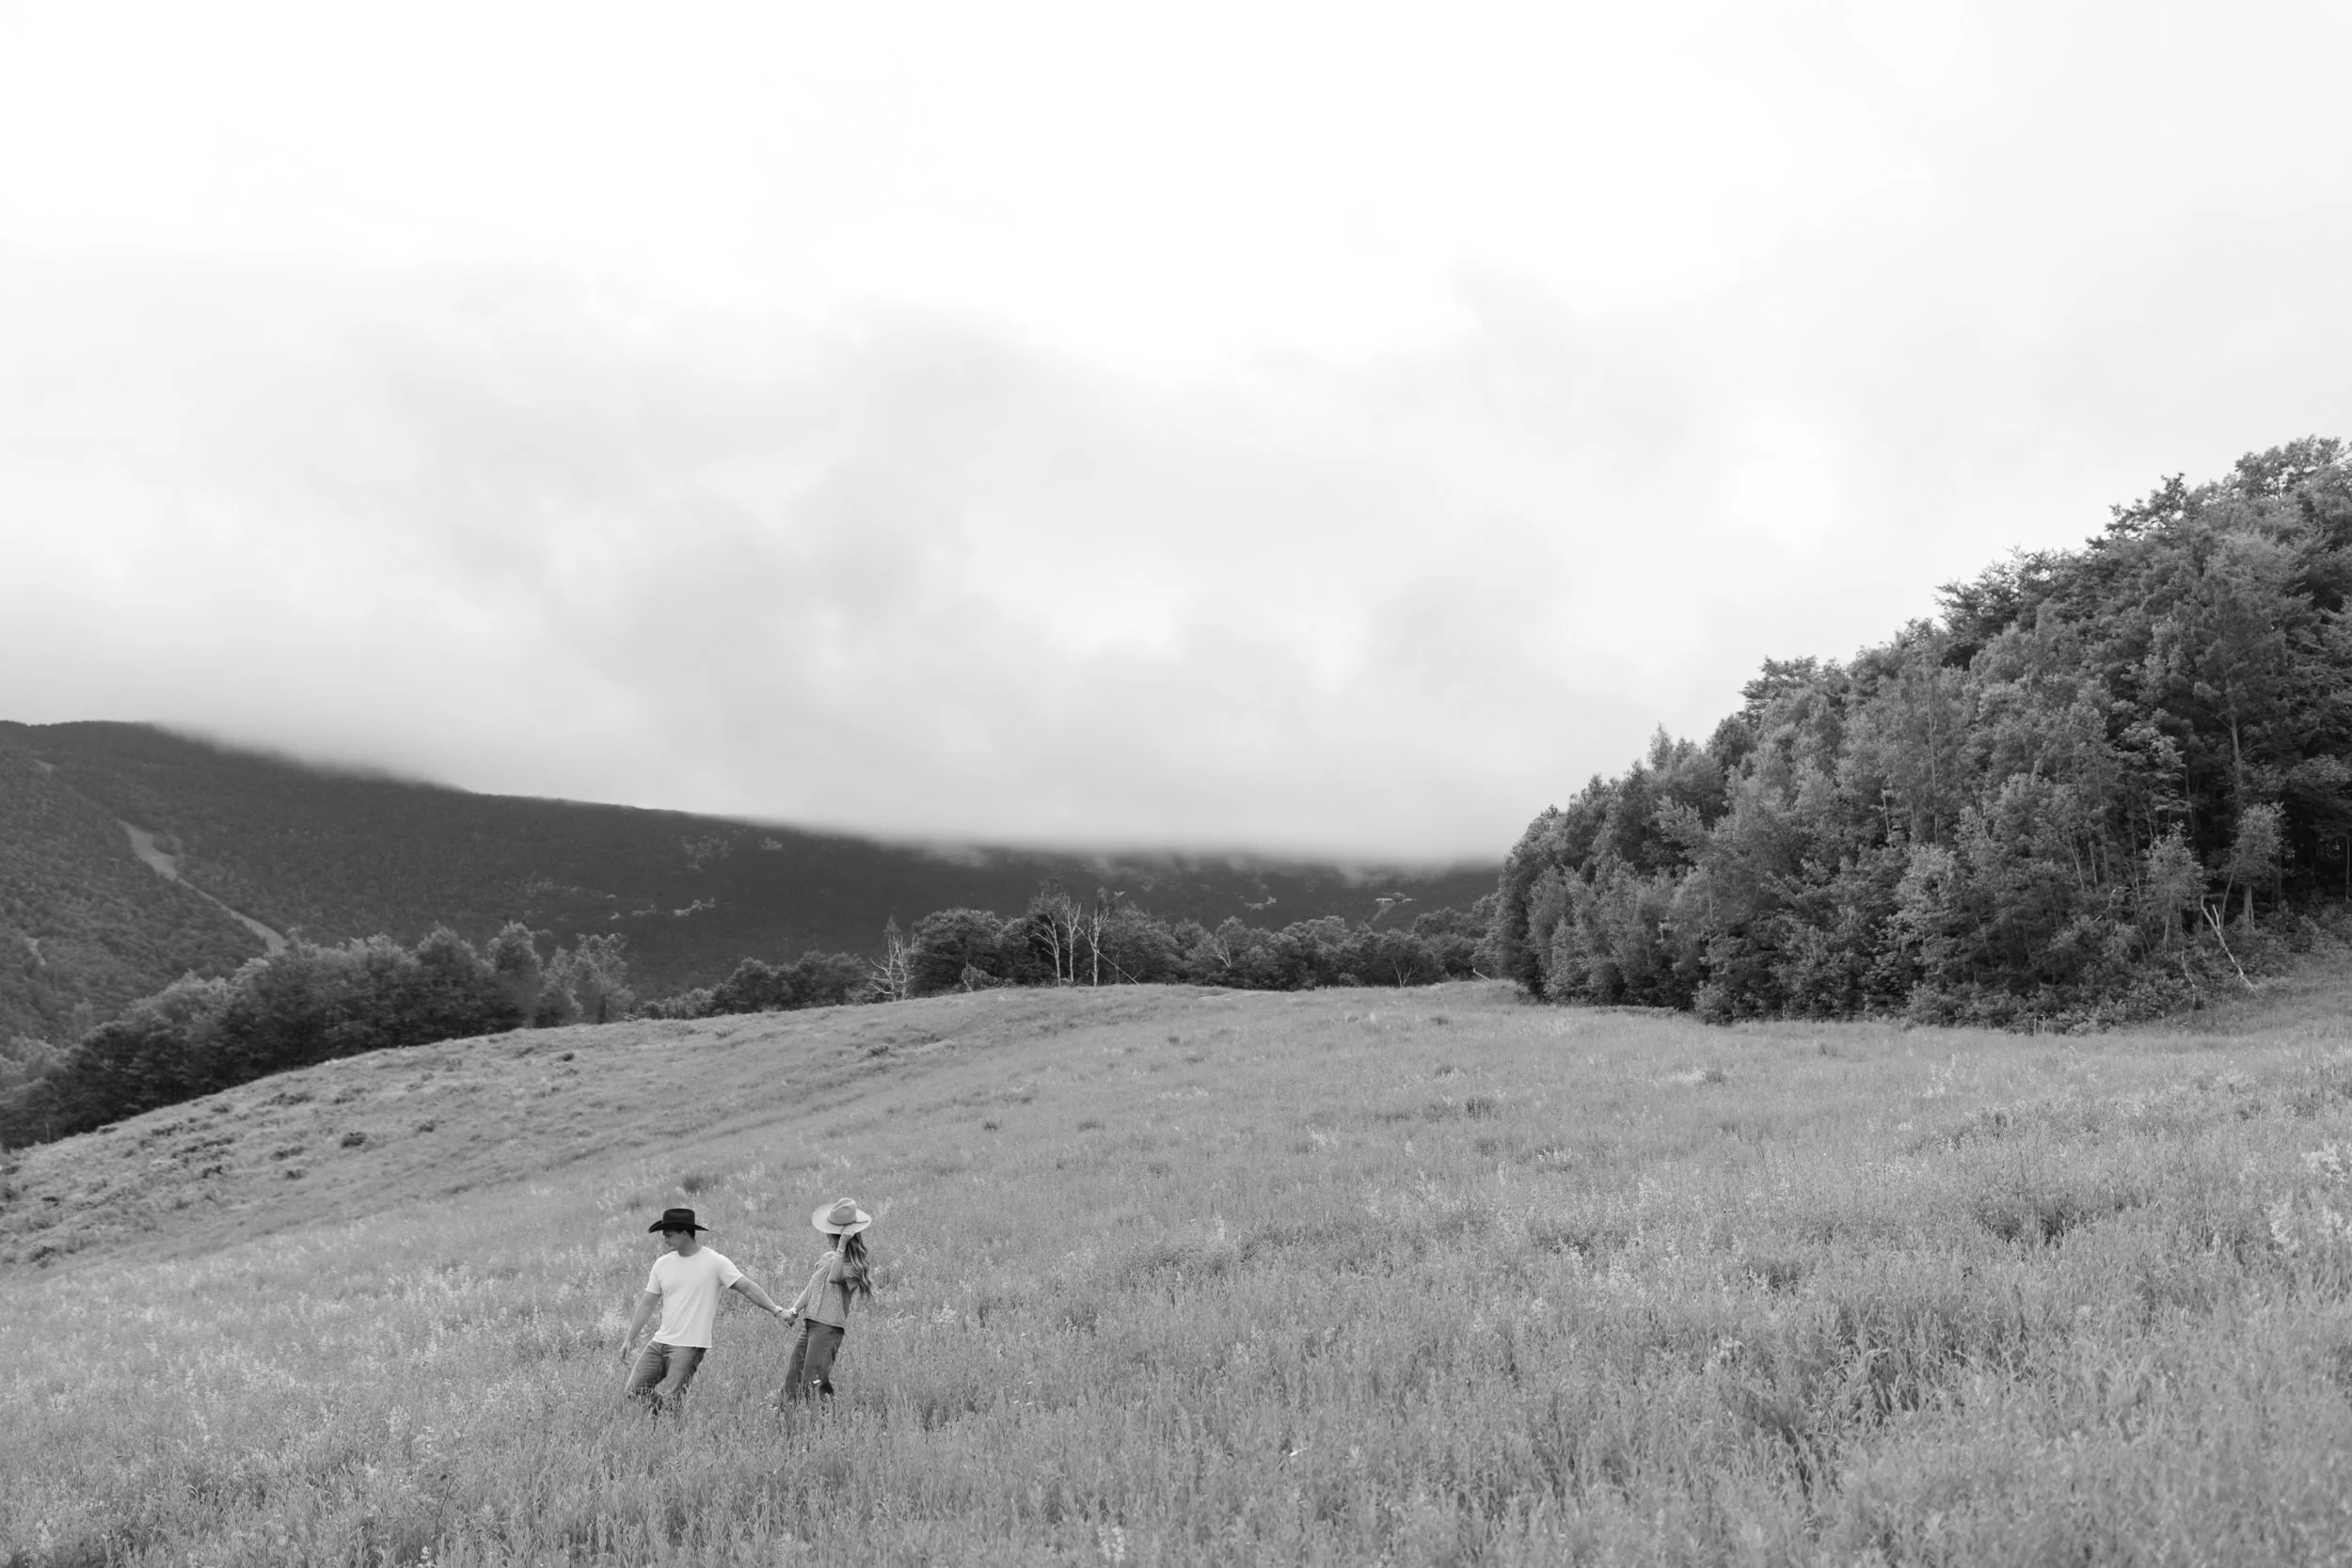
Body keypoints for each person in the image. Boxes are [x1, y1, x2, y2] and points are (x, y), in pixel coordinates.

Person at [620, 1206, 791, 1415]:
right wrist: (630, 1338)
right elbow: (647, 1303)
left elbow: (746, 1287)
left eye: (669, 1235)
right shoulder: (661, 1264)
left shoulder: (715, 1262)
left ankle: (670, 1428)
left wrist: (776, 1310)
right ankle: (661, 1421)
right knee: (634, 1390)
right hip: (660, 1342)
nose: (665, 1241)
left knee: (674, 1402)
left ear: (684, 1234)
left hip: (689, 1345)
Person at [777, 1198, 874, 1405]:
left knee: (814, 1379)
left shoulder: (857, 1265)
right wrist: (795, 1310)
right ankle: (789, 1416)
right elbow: (811, 1287)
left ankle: (823, 1421)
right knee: (794, 1373)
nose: (827, 1237)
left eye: (832, 1234)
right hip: (810, 1324)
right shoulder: (827, 1256)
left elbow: (834, 1277)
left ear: (843, 1237)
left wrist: (841, 1247)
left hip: (828, 1328)